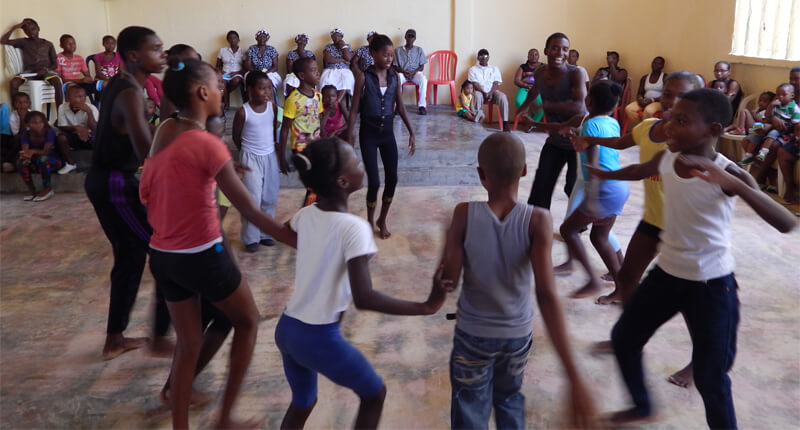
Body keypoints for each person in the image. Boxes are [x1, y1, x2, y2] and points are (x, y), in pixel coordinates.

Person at [592, 88, 796, 428]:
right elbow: (640, 169)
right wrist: (607, 175)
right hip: (667, 275)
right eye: (672, 117)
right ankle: (642, 405)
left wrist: (735, 184)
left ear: (713, 130)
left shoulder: (729, 171)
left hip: (712, 286)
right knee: (624, 339)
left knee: (710, 377)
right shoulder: (668, 159)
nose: (669, 126)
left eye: (682, 121)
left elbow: (787, 222)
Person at [140, 56, 296, 430]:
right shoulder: (207, 144)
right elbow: (252, 212)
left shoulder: (164, 145)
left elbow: (148, 194)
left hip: (163, 256)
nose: (224, 89)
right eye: (218, 83)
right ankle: (224, 418)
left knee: (189, 344)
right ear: (202, 92)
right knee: (247, 322)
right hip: (201, 254)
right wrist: (296, 238)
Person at [276, 137, 446, 429]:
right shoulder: (355, 228)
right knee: (374, 394)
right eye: (355, 161)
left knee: (303, 401)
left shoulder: (305, 215)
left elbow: (287, 233)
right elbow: (364, 297)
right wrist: (426, 306)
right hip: (319, 337)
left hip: (287, 329)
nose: (360, 164)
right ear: (343, 181)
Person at [439, 132, 595, 428]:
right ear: (524, 171)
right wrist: (573, 374)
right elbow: (547, 295)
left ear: (481, 174)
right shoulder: (538, 219)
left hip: (472, 333)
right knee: (509, 398)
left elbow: (450, 278)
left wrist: (443, 264)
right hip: (516, 335)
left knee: (470, 404)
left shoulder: (463, 214)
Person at [83, 26, 169, 361]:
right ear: (134, 55)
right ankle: (159, 336)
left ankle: (115, 338)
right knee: (161, 248)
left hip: (110, 181)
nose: (161, 55)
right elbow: (147, 150)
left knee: (130, 257)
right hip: (115, 184)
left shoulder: (124, 83)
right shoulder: (131, 91)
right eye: (155, 49)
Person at [537, 82, 629, 298]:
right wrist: (577, 136)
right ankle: (622, 288)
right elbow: (596, 143)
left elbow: (594, 157)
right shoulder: (612, 123)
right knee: (599, 237)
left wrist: (593, 196)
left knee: (569, 230)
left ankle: (593, 282)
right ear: (615, 106)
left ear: (588, 101)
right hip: (619, 186)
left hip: (604, 188)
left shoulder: (590, 126)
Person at [347, 34, 416, 239]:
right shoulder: (363, 77)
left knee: (392, 179)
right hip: (368, 134)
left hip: (387, 135)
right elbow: (354, 110)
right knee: (375, 182)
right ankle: (369, 220)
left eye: (391, 55)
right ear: (372, 54)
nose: (388, 59)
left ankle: (382, 219)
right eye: (385, 55)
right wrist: (349, 134)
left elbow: (401, 107)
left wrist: (412, 132)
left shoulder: (395, 77)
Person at [516, 32, 587, 209]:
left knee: (573, 186)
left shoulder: (575, 74)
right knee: (542, 183)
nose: (560, 53)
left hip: (578, 143)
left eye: (565, 49)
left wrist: (543, 107)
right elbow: (534, 91)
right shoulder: (540, 72)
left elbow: (578, 107)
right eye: (555, 48)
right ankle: (536, 222)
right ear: (546, 50)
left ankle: (578, 224)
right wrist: (523, 107)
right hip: (556, 140)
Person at [232, 71, 280, 253]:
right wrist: (246, 152)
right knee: (253, 198)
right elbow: (237, 136)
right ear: (250, 90)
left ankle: (266, 233)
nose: (267, 92)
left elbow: (274, 127)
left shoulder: (273, 108)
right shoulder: (243, 112)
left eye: (269, 88)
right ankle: (251, 238)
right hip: (250, 157)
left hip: (269, 157)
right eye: (262, 88)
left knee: (269, 196)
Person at [280, 57, 323, 206]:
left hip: (316, 146)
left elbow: (318, 121)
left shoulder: (318, 95)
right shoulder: (293, 99)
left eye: (317, 70)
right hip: (300, 148)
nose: (318, 73)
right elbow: (285, 129)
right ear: (302, 76)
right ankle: (305, 219)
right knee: (313, 186)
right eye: (313, 70)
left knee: (317, 186)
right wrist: (281, 157)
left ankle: (309, 216)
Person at [1, 18, 63, 106]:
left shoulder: (48, 44)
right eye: (27, 31)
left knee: (57, 81)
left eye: (33, 29)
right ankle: (18, 113)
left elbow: (55, 64)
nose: (31, 32)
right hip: (29, 72)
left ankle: (60, 114)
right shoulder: (23, 41)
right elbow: (3, 40)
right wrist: (14, 28)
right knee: (13, 83)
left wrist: (46, 70)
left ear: (38, 28)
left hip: (46, 71)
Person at [741, 83, 798, 175]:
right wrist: (770, 107)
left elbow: (794, 125)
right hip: (767, 127)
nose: (780, 97)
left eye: (783, 94)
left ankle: (762, 164)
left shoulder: (794, 108)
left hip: (780, 131)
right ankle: (752, 157)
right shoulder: (775, 106)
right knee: (749, 138)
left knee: (768, 134)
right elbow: (767, 117)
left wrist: (756, 116)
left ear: (792, 95)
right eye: (778, 94)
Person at [17, 111, 61, 201]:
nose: (38, 125)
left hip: (53, 162)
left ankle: (47, 188)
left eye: (40, 122)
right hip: (36, 162)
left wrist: (32, 151)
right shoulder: (26, 134)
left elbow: (46, 151)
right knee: (21, 162)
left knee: (43, 159)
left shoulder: (49, 133)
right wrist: (25, 154)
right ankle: (31, 189)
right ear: (28, 124)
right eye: (34, 123)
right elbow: (25, 149)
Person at [55, 85, 99, 174]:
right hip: (73, 136)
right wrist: (77, 128)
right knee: (61, 137)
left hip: (89, 136)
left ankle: (97, 165)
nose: (80, 100)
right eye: (76, 97)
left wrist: (89, 113)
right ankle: (70, 164)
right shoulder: (62, 107)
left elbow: (95, 127)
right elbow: (61, 126)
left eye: (82, 97)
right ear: (68, 98)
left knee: (99, 137)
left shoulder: (91, 108)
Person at [468, 49, 510, 131]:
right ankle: (476, 120)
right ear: (478, 58)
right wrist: (484, 93)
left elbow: (495, 83)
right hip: (480, 91)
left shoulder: (494, 68)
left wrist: (490, 93)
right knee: (477, 95)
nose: (483, 58)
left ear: (488, 58)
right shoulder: (473, 69)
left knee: (502, 96)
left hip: (492, 92)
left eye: (486, 56)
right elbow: (475, 84)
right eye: (481, 56)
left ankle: (505, 123)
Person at [393, 29, 428, 115]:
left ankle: (422, 106)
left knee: (423, 79)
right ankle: (398, 106)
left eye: (412, 36)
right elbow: (394, 66)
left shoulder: (419, 50)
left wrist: (413, 73)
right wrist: (404, 72)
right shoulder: (398, 50)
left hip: (415, 73)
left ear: (415, 38)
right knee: (397, 79)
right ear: (405, 37)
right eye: (409, 36)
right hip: (402, 73)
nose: (410, 38)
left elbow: (422, 66)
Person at [624, 56, 666, 127]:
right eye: (654, 62)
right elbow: (640, 92)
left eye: (659, 63)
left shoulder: (665, 77)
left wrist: (652, 100)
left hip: (658, 102)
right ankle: (642, 127)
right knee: (628, 109)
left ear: (662, 66)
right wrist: (640, 99)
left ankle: (644, 129)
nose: (655, 65)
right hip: (645, 100)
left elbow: (666, 95)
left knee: (648, 111)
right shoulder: (645, 77)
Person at [320, 28, 355, 103]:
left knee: (346, 81)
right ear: (331, 37)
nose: (336, 38)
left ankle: (336, 103)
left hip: (344, 70)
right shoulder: (328, 47)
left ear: (342, 37)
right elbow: (328, 60)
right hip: (330, 70)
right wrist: (342, 60)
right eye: (334, 36)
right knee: (324, 80)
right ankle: (326, 103)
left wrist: (344, 46)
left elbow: (348, 58)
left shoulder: (347, 46)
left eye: (339, 36)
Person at [56, 34, 95, 102]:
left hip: (79, 83)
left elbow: (87, 75)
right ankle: (77, 109)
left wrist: (89, 79)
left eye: (74, 43)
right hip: (66, 85)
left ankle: (101, 108)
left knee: (102, 85)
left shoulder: (79, 58)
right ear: (61, 46)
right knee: (74, 89)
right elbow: (59, 79)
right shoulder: (58, 58)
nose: (72, 46)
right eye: (69, 44)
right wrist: (80, 81)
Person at [244, 29, 281, 94]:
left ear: (267, 39)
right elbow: (248, 65)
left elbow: (275, 67)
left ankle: (271, 101)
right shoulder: (251, 49)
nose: (262, 38)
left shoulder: (272, 49)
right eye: (260, 37)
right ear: (256, 38)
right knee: (251, 80)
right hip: (254, 71)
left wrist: (266, 73)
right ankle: (252, 101)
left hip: (269, 72)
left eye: (264, 37)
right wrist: (257, 72)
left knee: (269, 82)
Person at [513, 48, 544, 125]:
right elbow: (516, 80)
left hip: (538, 90)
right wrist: (526, 85)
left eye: (536, 54)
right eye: (531, 54)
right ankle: (527, 118)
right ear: (528, 56)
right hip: (525, 88)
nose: (533, 56)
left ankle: (533, 124)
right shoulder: (523, 67)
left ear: (538, 56)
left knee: (543, 105)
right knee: (519, 101)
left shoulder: (543, 66)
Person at [216, 30, 246, 111]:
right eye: (230, 38)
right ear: (227, 40)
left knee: (236, 80)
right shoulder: (222, 50)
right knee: (223, 82)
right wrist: (221, 72)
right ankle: (226, 104)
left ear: (238, 40)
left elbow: (245, 68)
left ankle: (224, 96)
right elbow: (218, 66)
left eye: (235, 38)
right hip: (225, 73)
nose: (233, 40)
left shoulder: (242, 51)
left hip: (237, 73)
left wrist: (235, 73)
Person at [284, 33, 315, 98]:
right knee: (290, 82)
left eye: (304, 40)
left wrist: (301, 52)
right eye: (300, 40)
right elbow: (289, 70)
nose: (302, 42)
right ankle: (291, 100)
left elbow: (310, 66)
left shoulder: (310, 53)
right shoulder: (291, 53)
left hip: (307, 75)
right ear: (297, 41)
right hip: (294, 75)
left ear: (306, 42)